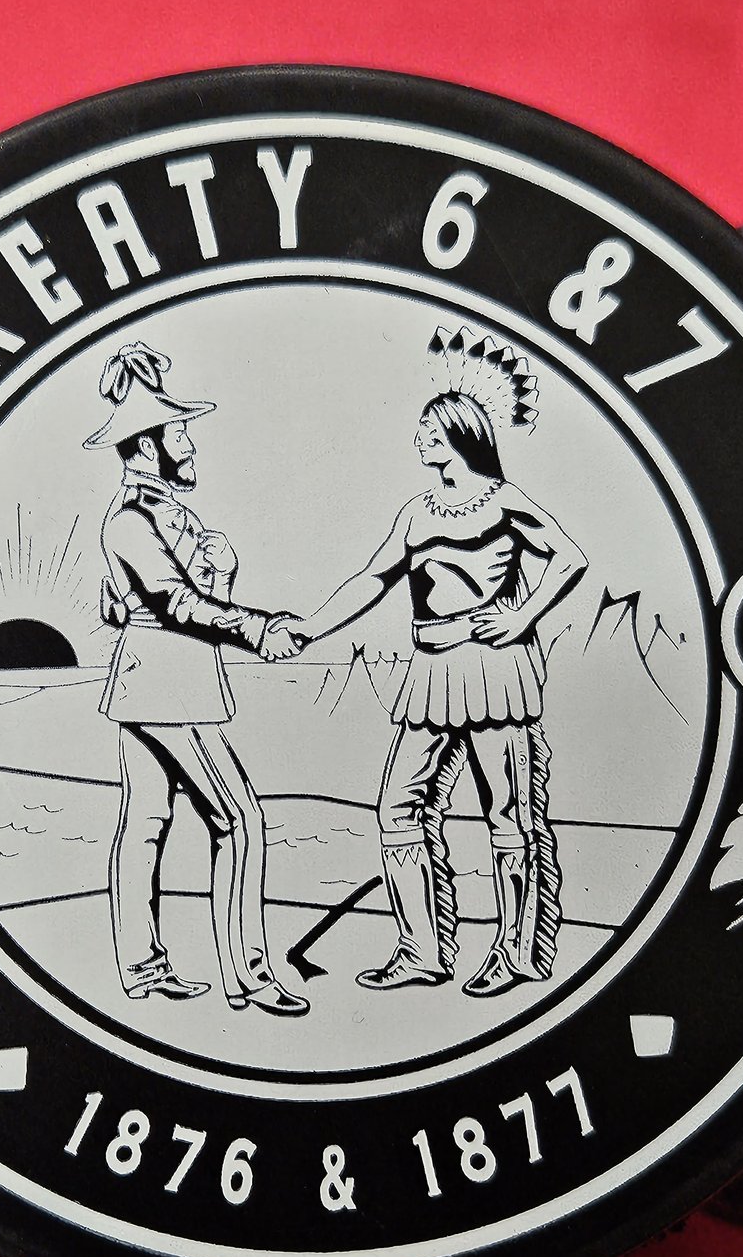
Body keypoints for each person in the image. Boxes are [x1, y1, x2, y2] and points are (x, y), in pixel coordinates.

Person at [281, 328, 586, 997]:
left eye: (429, 429)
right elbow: (373, 579)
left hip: (494, 670)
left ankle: (515, 952)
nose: (419, 438)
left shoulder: (504, 500)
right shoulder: (417, 512)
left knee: (509, 815)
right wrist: (309, 628)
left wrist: (521, 618)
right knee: (398, 806)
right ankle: (421, 949)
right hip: (431, 671)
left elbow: (570, 559)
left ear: (458, 435)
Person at [88, 341, 308, 1017]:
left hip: (159, 681)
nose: (189, 446)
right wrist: (258, 627)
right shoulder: (130, 521)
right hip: (168, 685)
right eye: (177, 434)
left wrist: (220, 575)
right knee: (238, 820)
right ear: (145, 446)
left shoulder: (162, 515)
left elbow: (150, 602)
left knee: (145, 821)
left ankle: (143, 968)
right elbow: (173, 604)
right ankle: (250, 976)